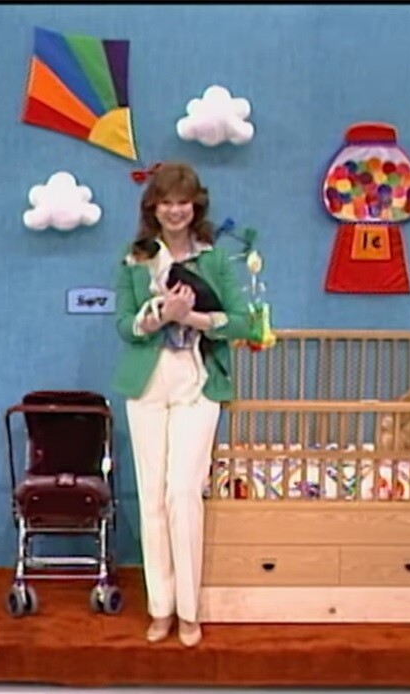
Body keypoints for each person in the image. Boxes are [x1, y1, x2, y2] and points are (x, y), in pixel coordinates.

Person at [110, 162, 257, 647]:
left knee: (182, 494)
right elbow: (124, 324)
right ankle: (161, 608)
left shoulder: (215, 260)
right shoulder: (134, 259)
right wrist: (158, 316)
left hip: (197, 384)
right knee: (151, 498)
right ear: (153, 207)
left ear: (196, 206)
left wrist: (192, 317)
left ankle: (190, 612)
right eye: (166, 202)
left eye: (183, 202)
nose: (175, 211)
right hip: (147, 387)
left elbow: (243, 322)